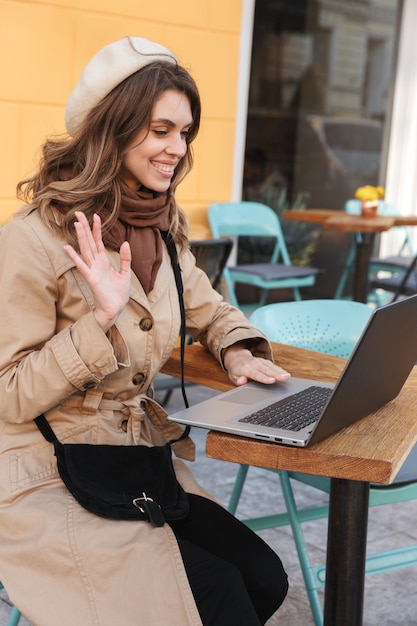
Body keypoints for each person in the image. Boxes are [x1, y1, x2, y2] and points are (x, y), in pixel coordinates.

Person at [0, 37, 289, 625]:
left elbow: (206, 305)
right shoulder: (31, 238)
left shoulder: (160, 225)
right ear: (114, 128)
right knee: (214, 598)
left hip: (130, 455)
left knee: (263, 577)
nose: (177, 150)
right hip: (47, 466)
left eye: (184, 133)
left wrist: (236, 349)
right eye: (160, 131)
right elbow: (8, 392)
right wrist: (99, 321)